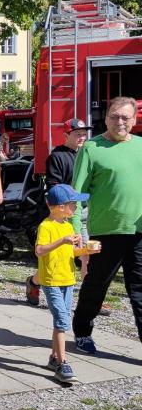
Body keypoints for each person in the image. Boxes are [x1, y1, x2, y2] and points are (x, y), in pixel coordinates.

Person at [71, 96, 142, 355]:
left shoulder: (141, 147)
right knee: (97, 285)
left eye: (125, 117)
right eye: (114, 116)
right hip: (105, 232)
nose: (119, 122)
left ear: (134, 120)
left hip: (138, 232)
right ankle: (82, 331)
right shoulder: (92, 148)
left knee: (140, 289)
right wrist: (76, 229)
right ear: (106, 118)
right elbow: (76, 193)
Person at [35, 184, 100, 383]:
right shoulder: (46, 226)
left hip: (67, 279)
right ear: (60, 207)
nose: (77, 207)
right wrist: (61, 241)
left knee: (60, 320)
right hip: (52, 281)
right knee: (62, 321)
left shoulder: (68, 226)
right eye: (74, 204)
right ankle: (63, 364)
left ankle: (54, 358)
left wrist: (86, 251)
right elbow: (39, 250)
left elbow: (70, 252)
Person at [26, 118, 92, 306]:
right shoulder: (57, 156)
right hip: (67, 213)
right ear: (66, 135)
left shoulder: (86, 154)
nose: (81, 137)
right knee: (58, 258)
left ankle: (90, 298)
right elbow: (54, 188)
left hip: (87, 210)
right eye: (77, 134)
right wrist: (63, 212)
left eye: (83, 134)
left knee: (87, 254)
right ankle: (34, 282)